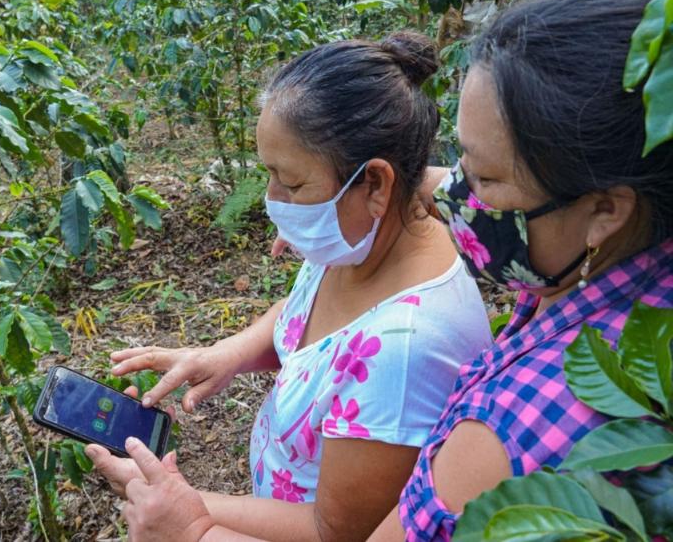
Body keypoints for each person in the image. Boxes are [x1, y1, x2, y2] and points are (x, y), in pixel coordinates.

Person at [88, 0, 673, 541]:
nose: (461, 193)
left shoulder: (493, 419)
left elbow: (340, 531)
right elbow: (318, 307)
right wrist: (323, 217)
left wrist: (190, 528)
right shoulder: (589, 257)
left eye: (486, 176)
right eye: (459, 163)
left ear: (604, 209)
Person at [86, 32, 493, 541]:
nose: (273, 201)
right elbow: (309, 316)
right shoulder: (362, 239)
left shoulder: (404, 352)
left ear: (376, 184)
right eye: (269, 175)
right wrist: (229, 353)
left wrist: (181, 509)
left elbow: (336, 531)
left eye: (292, 184)